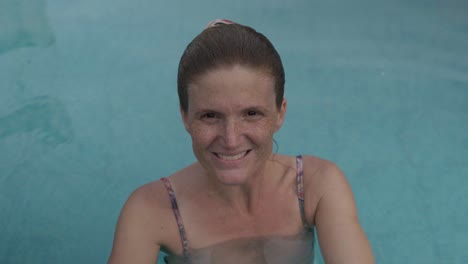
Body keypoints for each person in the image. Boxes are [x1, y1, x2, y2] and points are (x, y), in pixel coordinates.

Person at [107, 19, 374, 264]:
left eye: (251, 114)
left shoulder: (317, 186)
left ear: (280, 113)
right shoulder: (152, 211)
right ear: (185, 117)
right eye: (210, 116)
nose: (231, 139)